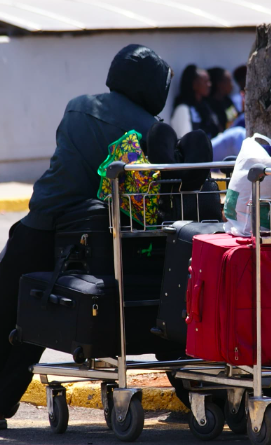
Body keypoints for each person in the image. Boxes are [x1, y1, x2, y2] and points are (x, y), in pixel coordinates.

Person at [0, 44, 172, 430]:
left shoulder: (79, 106)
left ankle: (1, 400)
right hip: (101, 240)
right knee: (46, 313)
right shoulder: (151, 128)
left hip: (44, 224)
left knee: (17, 307)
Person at [171, 64, 246, 160]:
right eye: (205, 81)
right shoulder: (183, 108)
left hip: (210, 148)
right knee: (237, 134)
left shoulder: (205, 105)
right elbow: (185, 143)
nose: (209, 84)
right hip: (198, 154)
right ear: (194, 84)